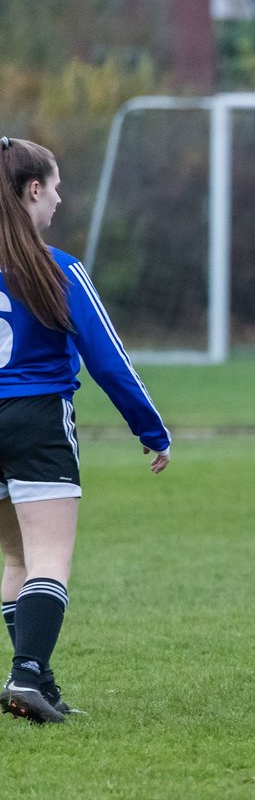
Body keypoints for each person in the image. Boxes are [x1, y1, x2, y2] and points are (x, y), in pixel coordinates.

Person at [0, 136, 171, 724]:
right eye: (54, 186)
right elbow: (109, 361)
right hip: (37, 419)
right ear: (31, 190)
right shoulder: (58, 268)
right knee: (48, 557)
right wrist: (151, 429)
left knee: (16, 560)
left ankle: (38, 682)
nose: (60, 200)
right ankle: (24, 678)